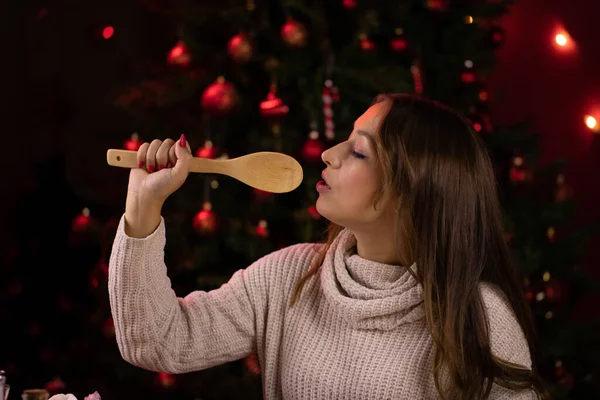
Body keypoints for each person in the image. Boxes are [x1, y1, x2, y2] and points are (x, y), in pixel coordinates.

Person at [108, 93, 551, 399]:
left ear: (413, 192)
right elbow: (155, 341)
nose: (328, 153)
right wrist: (143, 205)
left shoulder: (478, 316)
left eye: (359, 152)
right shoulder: (289, 278)